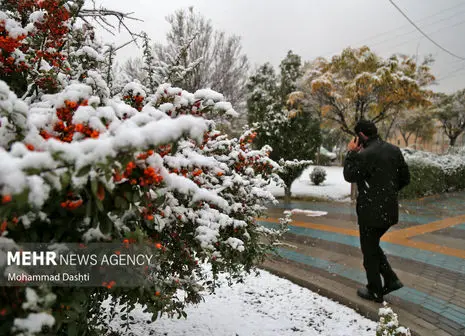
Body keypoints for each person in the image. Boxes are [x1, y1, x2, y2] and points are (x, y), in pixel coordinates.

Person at [343, 120, 410, 303]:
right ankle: (390, 280)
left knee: (369, 252)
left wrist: (351, 153)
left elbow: (349, 175)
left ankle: (375, 290)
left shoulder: (365, 155)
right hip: (388, 211)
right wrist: (387, 192)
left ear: (361, 136)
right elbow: (405, 178)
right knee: (372, 247)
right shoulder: (393, 150)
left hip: (370, 213)